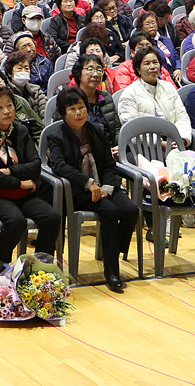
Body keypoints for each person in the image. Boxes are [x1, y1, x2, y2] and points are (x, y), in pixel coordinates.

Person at [46, 88, 137, 292]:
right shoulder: (56, 134)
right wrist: (88, 183)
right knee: (110, 212)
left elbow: (109, 165)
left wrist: (106, 187)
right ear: (63, 113)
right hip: (78, 191)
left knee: (131, 210)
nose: (79, 112)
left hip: (104, 186)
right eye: (72, 109)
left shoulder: (97, 130)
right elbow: (59, 166)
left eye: (82, 107)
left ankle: (110, 248)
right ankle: (112, 271)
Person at [0, 86, 60, 267]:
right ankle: (2, 260)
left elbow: (35, 165)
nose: (7, 111)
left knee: (52, 217)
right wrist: (19, 183)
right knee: (15, 220)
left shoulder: (21, 131)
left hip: (23, 193)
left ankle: (39, 267)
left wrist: (10, 172)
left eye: (10, 105)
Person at [116, 47, 191, 139]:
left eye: (155, 62)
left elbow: (181, 117)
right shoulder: (129, 93)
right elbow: (133, 128)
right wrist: (160, 144)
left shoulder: (168, 87)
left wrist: (182, 139)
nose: (152, 67)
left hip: (174, 140)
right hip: (147, 147)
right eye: (147, 63)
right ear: (138, 69)